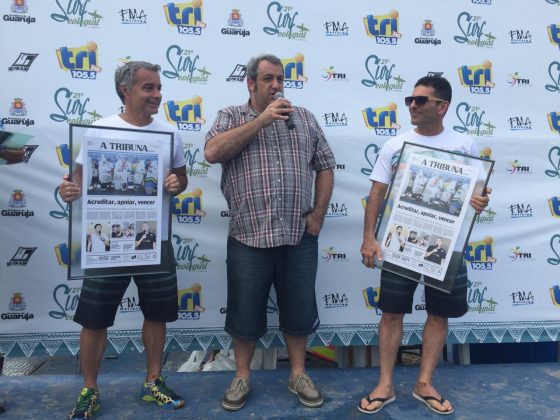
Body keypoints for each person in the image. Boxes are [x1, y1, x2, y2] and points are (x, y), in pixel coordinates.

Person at [204, 53, 335, 411]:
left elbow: (325, 166)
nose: (276, 85)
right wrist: (260, 120)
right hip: (249, 236)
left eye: (280, 79)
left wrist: (318, 215)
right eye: (268, 79)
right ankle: (242, 376)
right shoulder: (230, 116)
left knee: (298, 311)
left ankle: (298, 374)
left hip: (298, 236)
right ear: (250, 83)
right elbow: (213, 152)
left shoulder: (304, 118)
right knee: (244, 314)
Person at [59, 61, 188, 419]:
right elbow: (78, 179)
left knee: (157, 314)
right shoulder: (99, 129)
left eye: (159, 87)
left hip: (153, 239)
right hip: (106, 241)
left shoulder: (170, 133)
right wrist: (69, 189)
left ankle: (153, 381)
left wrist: (178, 184)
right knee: (95, 318)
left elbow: (181, 177)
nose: (157, 95)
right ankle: (89, 390)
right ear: (125, 90)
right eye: (148, 88)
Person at [359, 75, 490, 415]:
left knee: (439, 314)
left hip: (448, 248)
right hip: (400, 243)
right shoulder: (394, 146)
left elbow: (476, 195)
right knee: (391, 313)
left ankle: (424, 383)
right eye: (409, 100)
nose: (412, 106)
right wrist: (369, 238)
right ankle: (385, 384)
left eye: (420, 101)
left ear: (442, 106)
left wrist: (480, 202)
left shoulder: (465, 145)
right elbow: (376, 193)